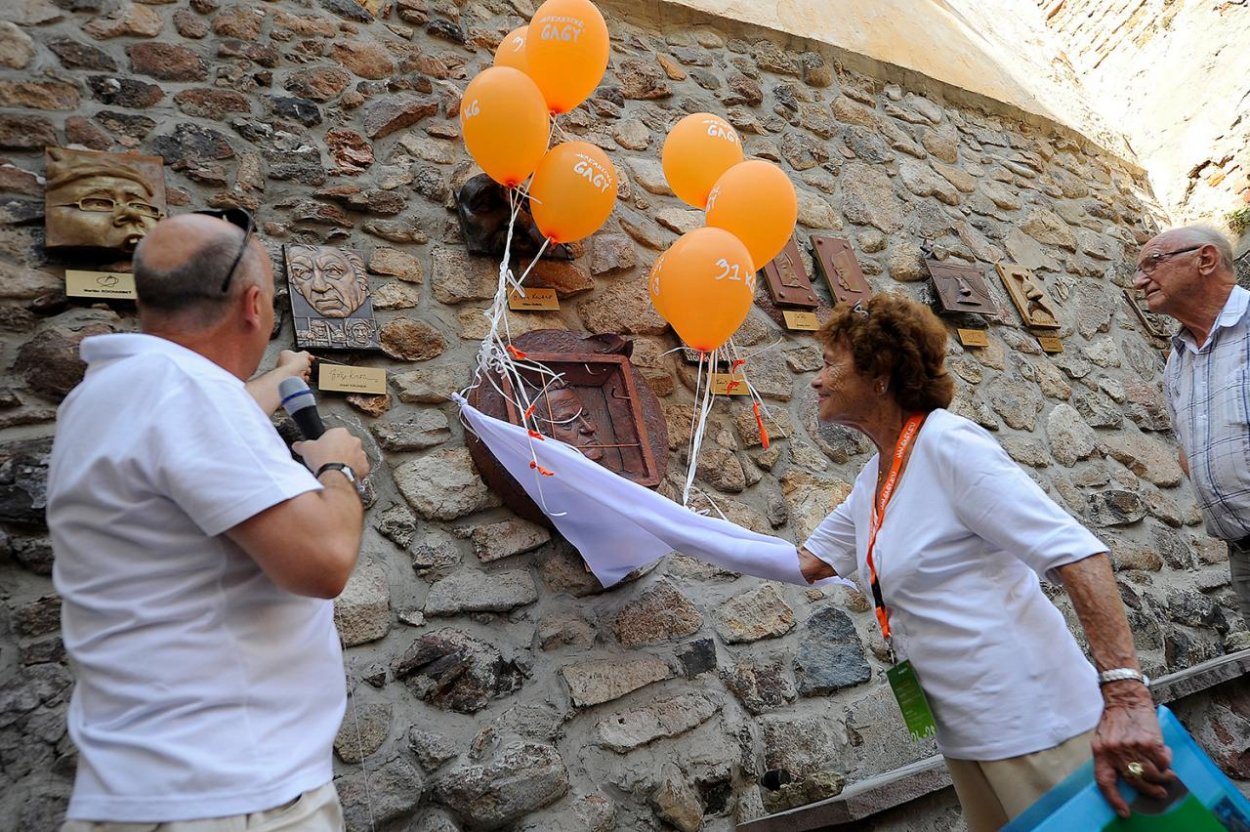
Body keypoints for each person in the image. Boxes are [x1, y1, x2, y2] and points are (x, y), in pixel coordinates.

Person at [794, 294, 1172, 831]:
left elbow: (1077, 554)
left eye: (830, 364)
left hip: (1038, 727)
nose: (816, 380)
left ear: (880, 376)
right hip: (967, 741)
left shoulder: (949, 445)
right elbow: (806, 563)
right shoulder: (873, 478)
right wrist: (671, 524)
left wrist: (1127, 697)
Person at [48, 211, 371, 830]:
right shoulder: (190, 393)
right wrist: (337, 468)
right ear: (253, 305)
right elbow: (324, 561)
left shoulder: (109, 392)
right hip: (231, 794)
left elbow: (199, 431)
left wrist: (279, 380)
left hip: (151, 783)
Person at [1132, 225, 1250, 631]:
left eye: (1153, 263)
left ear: (1205, 259)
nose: (1140, 281)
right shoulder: (1178, 362)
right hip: (1242, 552)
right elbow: (1188, 453)